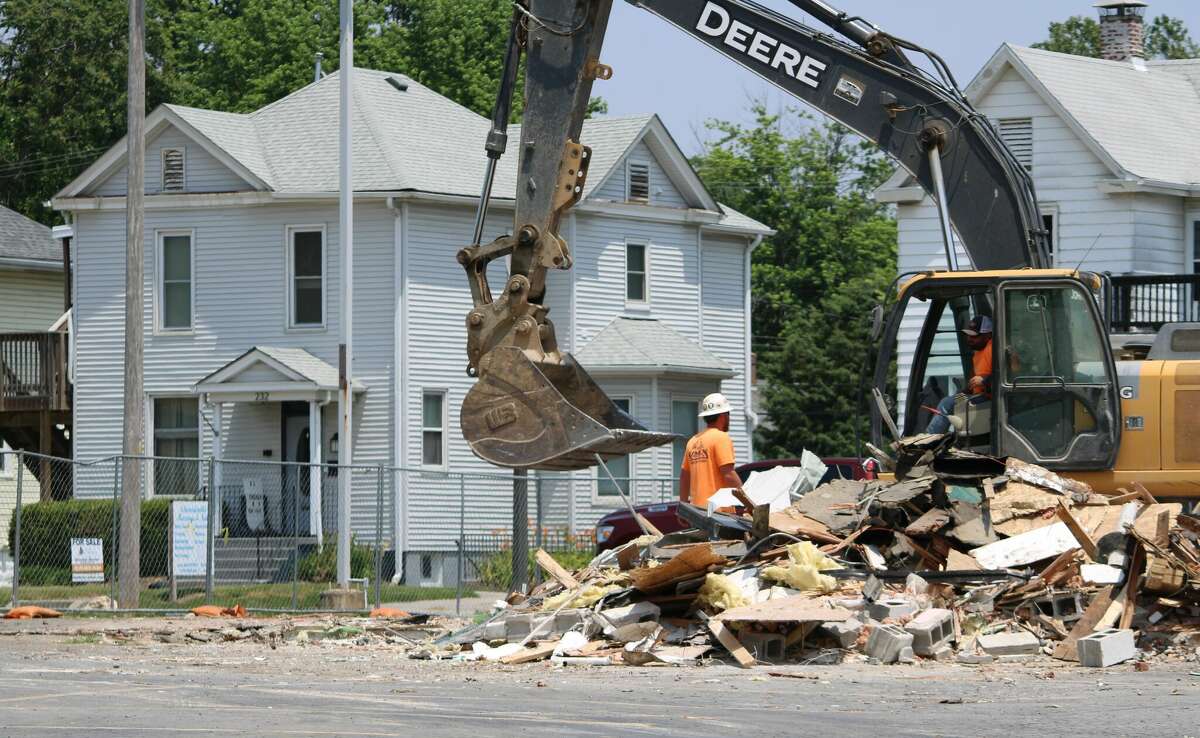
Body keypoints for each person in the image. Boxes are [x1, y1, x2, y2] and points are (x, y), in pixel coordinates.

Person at [926, 315, 994, 435]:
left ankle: (929, 439)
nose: (969, 338)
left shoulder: (994, 348)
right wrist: (964, 390)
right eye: (968, 335)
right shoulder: (978, 353)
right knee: (950, 400)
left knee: (947, 403)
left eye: (974, 336)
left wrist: (984, 381)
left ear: (987, 335)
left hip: (989, 398)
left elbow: (1004, 376)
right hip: (977, 395)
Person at [678, 392, 746, 508]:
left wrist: (683, 506)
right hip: (719, 511)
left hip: (698, 511)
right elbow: (728, 474)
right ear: (724, 415)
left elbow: (684, 476)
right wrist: (748, 502)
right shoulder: (721, 437)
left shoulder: (693, 441)